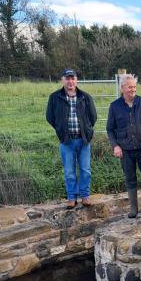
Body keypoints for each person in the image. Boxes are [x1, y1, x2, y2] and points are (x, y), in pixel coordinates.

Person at [45, 69, 98, 209]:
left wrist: (87, 130)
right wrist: (60, 130)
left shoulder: (85, 97)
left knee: (85, 170)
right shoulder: (55, 97)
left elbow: (93, 117)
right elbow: (50, 117)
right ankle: (71, 198)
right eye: (67, 78)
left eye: (72, 78)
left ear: (76, 80)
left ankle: (85, 196)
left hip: (84, 140)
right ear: (63, 80)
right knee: (69, 171)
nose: (70, 81)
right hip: (66, 141)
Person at [106, 73, 141, 218]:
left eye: (134, 87)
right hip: (125, 150)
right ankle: (134, 209)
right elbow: (110, 129)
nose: (132, 90)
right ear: (122, 88)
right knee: (130, 178)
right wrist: (115, 146)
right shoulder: (114, 106)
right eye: (129, 87)